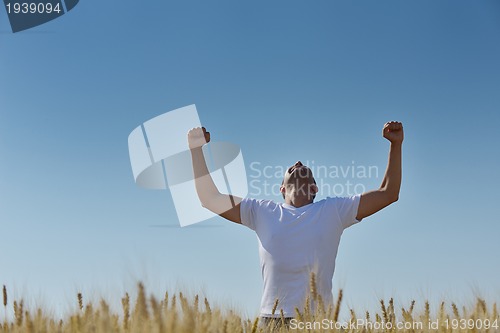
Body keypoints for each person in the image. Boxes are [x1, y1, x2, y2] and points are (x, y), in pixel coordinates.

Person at [187, 121, 403, 325]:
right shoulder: (261, 211)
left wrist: (396, 145)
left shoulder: (333, 210)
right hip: (271, 321)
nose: (298, 162)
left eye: (305, 167)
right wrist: (196, 150)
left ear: (314, 189)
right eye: (293, 165)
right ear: (281, 189)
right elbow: (210, 199)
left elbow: (388, 193)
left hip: (317, 322)